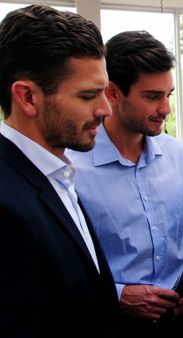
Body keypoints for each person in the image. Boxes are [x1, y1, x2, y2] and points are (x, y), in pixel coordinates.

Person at [67, 31, 183, 338]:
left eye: (168, 95)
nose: (166, 109)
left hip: (178, 323)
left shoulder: (179, 156)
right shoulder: (71, 167)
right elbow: (66, 262)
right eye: (152, 96)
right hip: (109, 324)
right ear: (113, 93)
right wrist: (118, 294)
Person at [0, 5, 120, 337]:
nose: (105, 110)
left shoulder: (55, 174)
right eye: (87, 96)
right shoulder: (6, 205)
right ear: (27, 97)